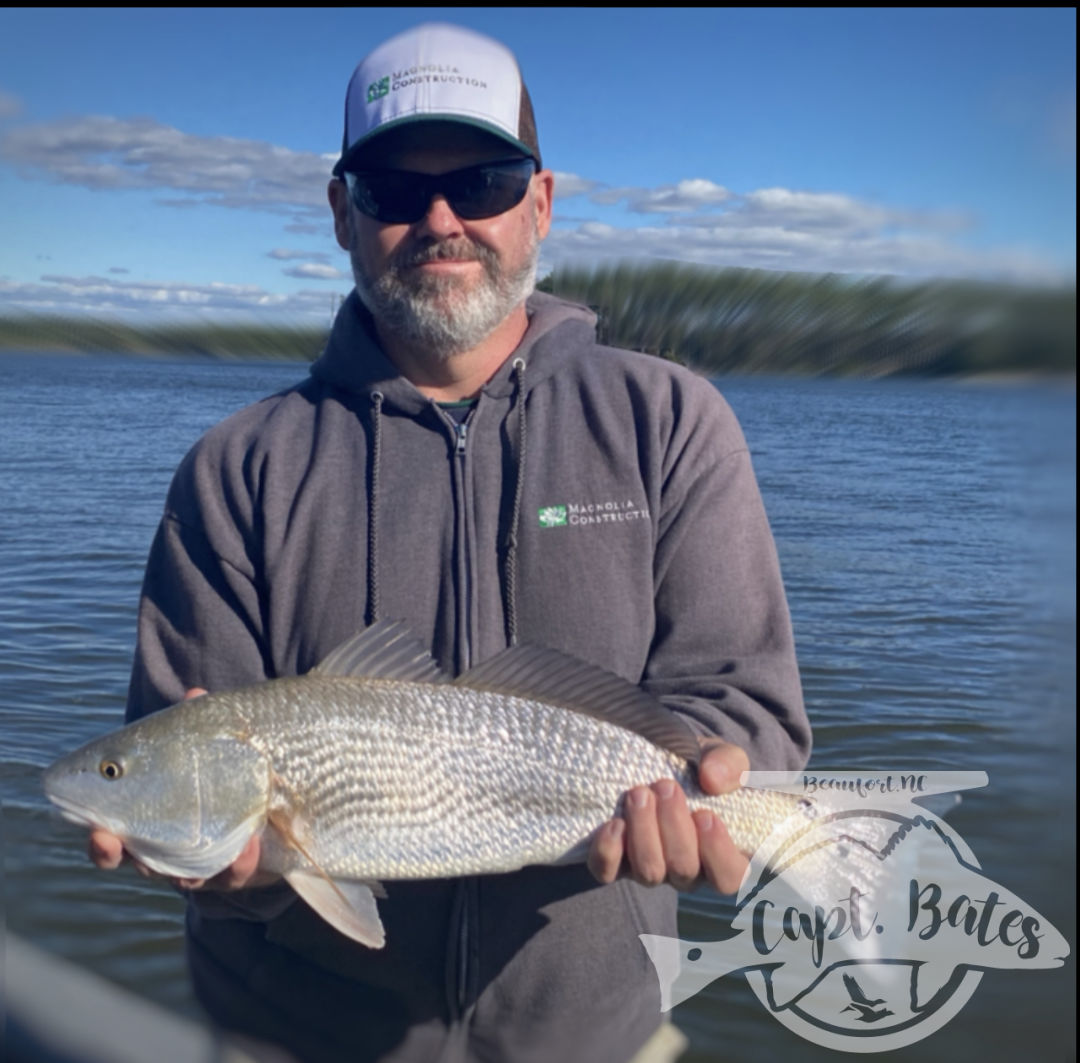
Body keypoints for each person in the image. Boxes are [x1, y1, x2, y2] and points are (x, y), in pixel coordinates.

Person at [88, 21, 810, 1063]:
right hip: (293, 1036)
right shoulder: (235, 466)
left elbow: (750, 707)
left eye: (481, 181)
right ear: (341, 210)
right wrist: (230, 868)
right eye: (390, 187)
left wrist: (714, 787)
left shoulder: (670, 419)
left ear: (542, 203)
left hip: (596, 1036)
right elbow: (184, 763)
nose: (440, 220)